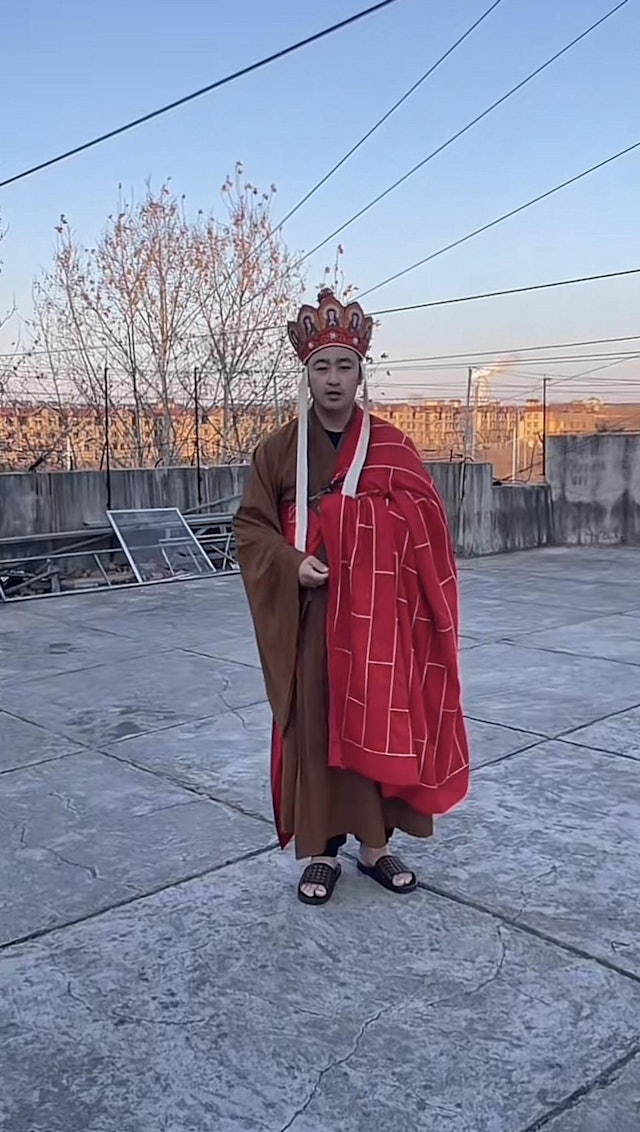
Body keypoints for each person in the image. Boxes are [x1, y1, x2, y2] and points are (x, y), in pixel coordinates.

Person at [234, 288, 469, 906]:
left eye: (345, 366)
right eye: (322, 367)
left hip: (379, 617)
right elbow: (251, 528)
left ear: (361, 372)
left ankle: (375, 846)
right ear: (306, 374)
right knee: (318, 728)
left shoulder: (393, 446)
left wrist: (353, 528)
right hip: (312, 614)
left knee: (382, 717)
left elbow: (427, 524)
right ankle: (320, 852)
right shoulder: (278, 449)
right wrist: (292, 564)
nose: (333, 378)